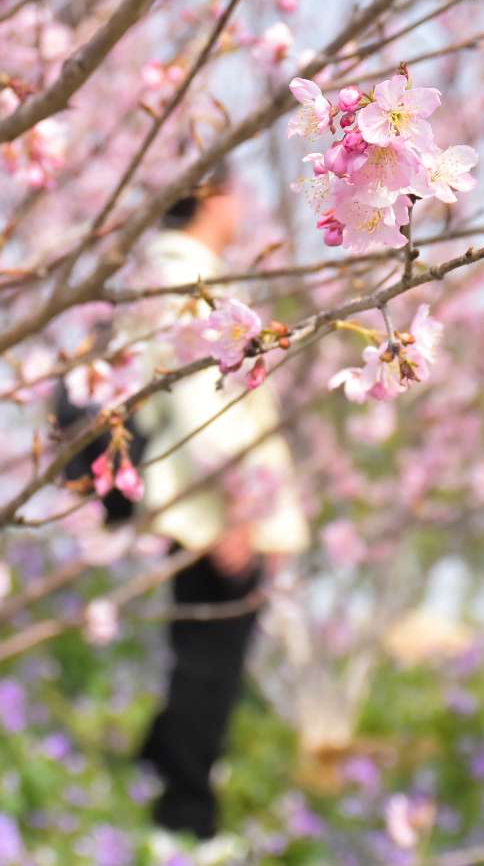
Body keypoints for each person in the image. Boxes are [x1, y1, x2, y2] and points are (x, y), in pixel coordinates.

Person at [131, 166, 310, 841]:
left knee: (204, 662)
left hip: (216, 506)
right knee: (210, 669)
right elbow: (199, 405)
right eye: (238, 190)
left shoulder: (185, 273)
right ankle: (181, 820)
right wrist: (239, 509)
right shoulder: (186, 277)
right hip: (217, 513)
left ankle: (161, 789)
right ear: (209, 195)